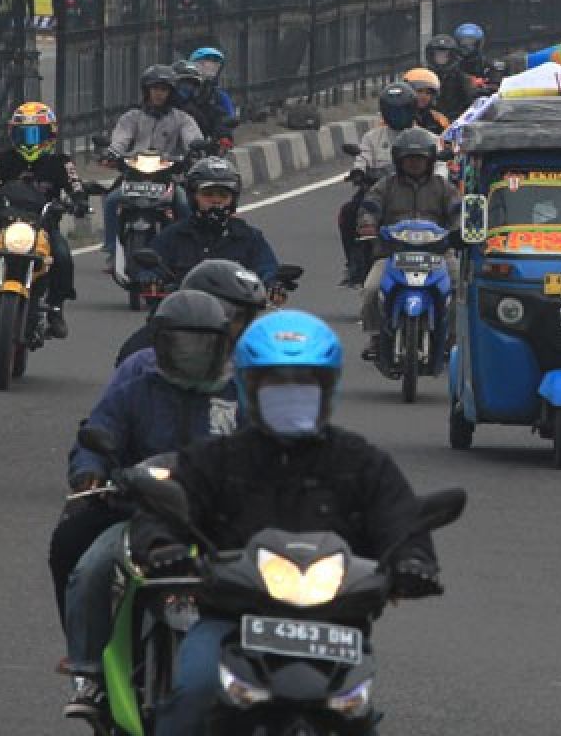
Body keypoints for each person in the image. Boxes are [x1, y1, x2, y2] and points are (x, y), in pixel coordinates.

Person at [128, 309, 443, 735]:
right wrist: (162, 547)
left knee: (357, 715)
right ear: (249, 387)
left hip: (332, 627)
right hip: (232, 622)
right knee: (194, 694)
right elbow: (164, 509)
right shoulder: (216, 459)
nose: (291, 394)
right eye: (276, 383)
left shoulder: (360, 461)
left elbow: (400, 517)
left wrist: (413, 561)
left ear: (327, 388)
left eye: (305, 384)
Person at [52, 289, 239, 721]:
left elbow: (266, 445)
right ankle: (90, 673)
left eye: (203, 341)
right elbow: (100, 428)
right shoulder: (137, 375)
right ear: (161, 340)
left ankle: (261, 671)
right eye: (183, 340)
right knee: (91, 568)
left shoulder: (237, 387)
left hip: (220, 519)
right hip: (139, 510)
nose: (193, 352)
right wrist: (91, 471)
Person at [0, 102, 87, 338]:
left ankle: (55, 310)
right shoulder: (3, 159)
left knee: (62, 256)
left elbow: (76, 186)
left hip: (42, 225)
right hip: (3, 222)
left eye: (36, 134)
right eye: (24, 134)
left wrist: (79, 201)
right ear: (13, 134)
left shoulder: (60, 163)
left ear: (49, 135)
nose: (30, 140)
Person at [358, 128, 460, 357]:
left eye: (420, 159)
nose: (414, 164)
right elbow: (370, 207)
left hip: (438, 253)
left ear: (430, 160)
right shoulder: (385, 186)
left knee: (458, 287)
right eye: (409, 159)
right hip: (392, 253)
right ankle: (375, 336)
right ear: (399, 160)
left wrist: (458, 231)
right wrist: (368, 224)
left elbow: (457, 211)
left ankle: (452, 336)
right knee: (371, 289)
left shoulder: (443, 187)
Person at [100, 64, 204, 270]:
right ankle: (112, 250)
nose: (158, 94)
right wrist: (113, 151)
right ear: (146, 90)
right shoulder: (132, 117)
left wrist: (194, 149)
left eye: (164, 89)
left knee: (183, 204)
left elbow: (193, 138)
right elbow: (121, 138)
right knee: (111, 200)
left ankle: (186, 249)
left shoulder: (181, 119)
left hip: (167, 177)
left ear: (171, 93)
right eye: (154, 88)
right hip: (134, 175)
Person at [114, 257, 268, 372]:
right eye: (236, 316)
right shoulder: (145, 355)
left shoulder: (261, 356)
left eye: (248, 318)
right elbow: (115, 410)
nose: (243, 328)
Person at [337, 81, 423, 286]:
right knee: (348, 213)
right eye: (393, 111)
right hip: (375, 191)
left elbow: (436, 160)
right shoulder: (373, 136)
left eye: (402, 110)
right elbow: (363, 155)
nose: (398, 116)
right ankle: (354, 263)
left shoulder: (422, 136)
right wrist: (358, 171)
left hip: (415, 191)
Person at [146, 156, 279, 285]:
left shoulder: (249, 237)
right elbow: (149, 266)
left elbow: (267, 267)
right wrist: (149, 278)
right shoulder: (174, 235)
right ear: (193, 197)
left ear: (233, 199)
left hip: (235, 306)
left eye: (223, 195)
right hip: (184, 305)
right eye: (208, 194)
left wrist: (273, 283)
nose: (216, 200)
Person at [172, 59, 232, 154]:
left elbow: (219, 119)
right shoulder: (149, 110)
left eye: (192, 84)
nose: (187, 87)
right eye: (183, 83)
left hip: (191, 158)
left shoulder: (200, 109)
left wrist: (223, 136)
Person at [425, 33, 476, 120]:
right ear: (432, 55)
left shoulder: (462, 78)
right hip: (429, 121)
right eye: (438, 53)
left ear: (452, 56)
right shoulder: (424, 75)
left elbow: (470, 104)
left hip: (454, 122)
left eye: (445, 54)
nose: (441, 57)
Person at [188, 46, 235, 119]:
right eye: (211, 60)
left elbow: (230, 120)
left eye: (218, 62)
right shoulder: (184, 90)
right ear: (196, 63)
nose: (216, 64)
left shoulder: (220, 96)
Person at [404, 67, 452, 134]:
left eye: (428, 93)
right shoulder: (396, 116)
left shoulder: (439, 119)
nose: (424, 96)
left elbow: (449, 140)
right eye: (419, 91)